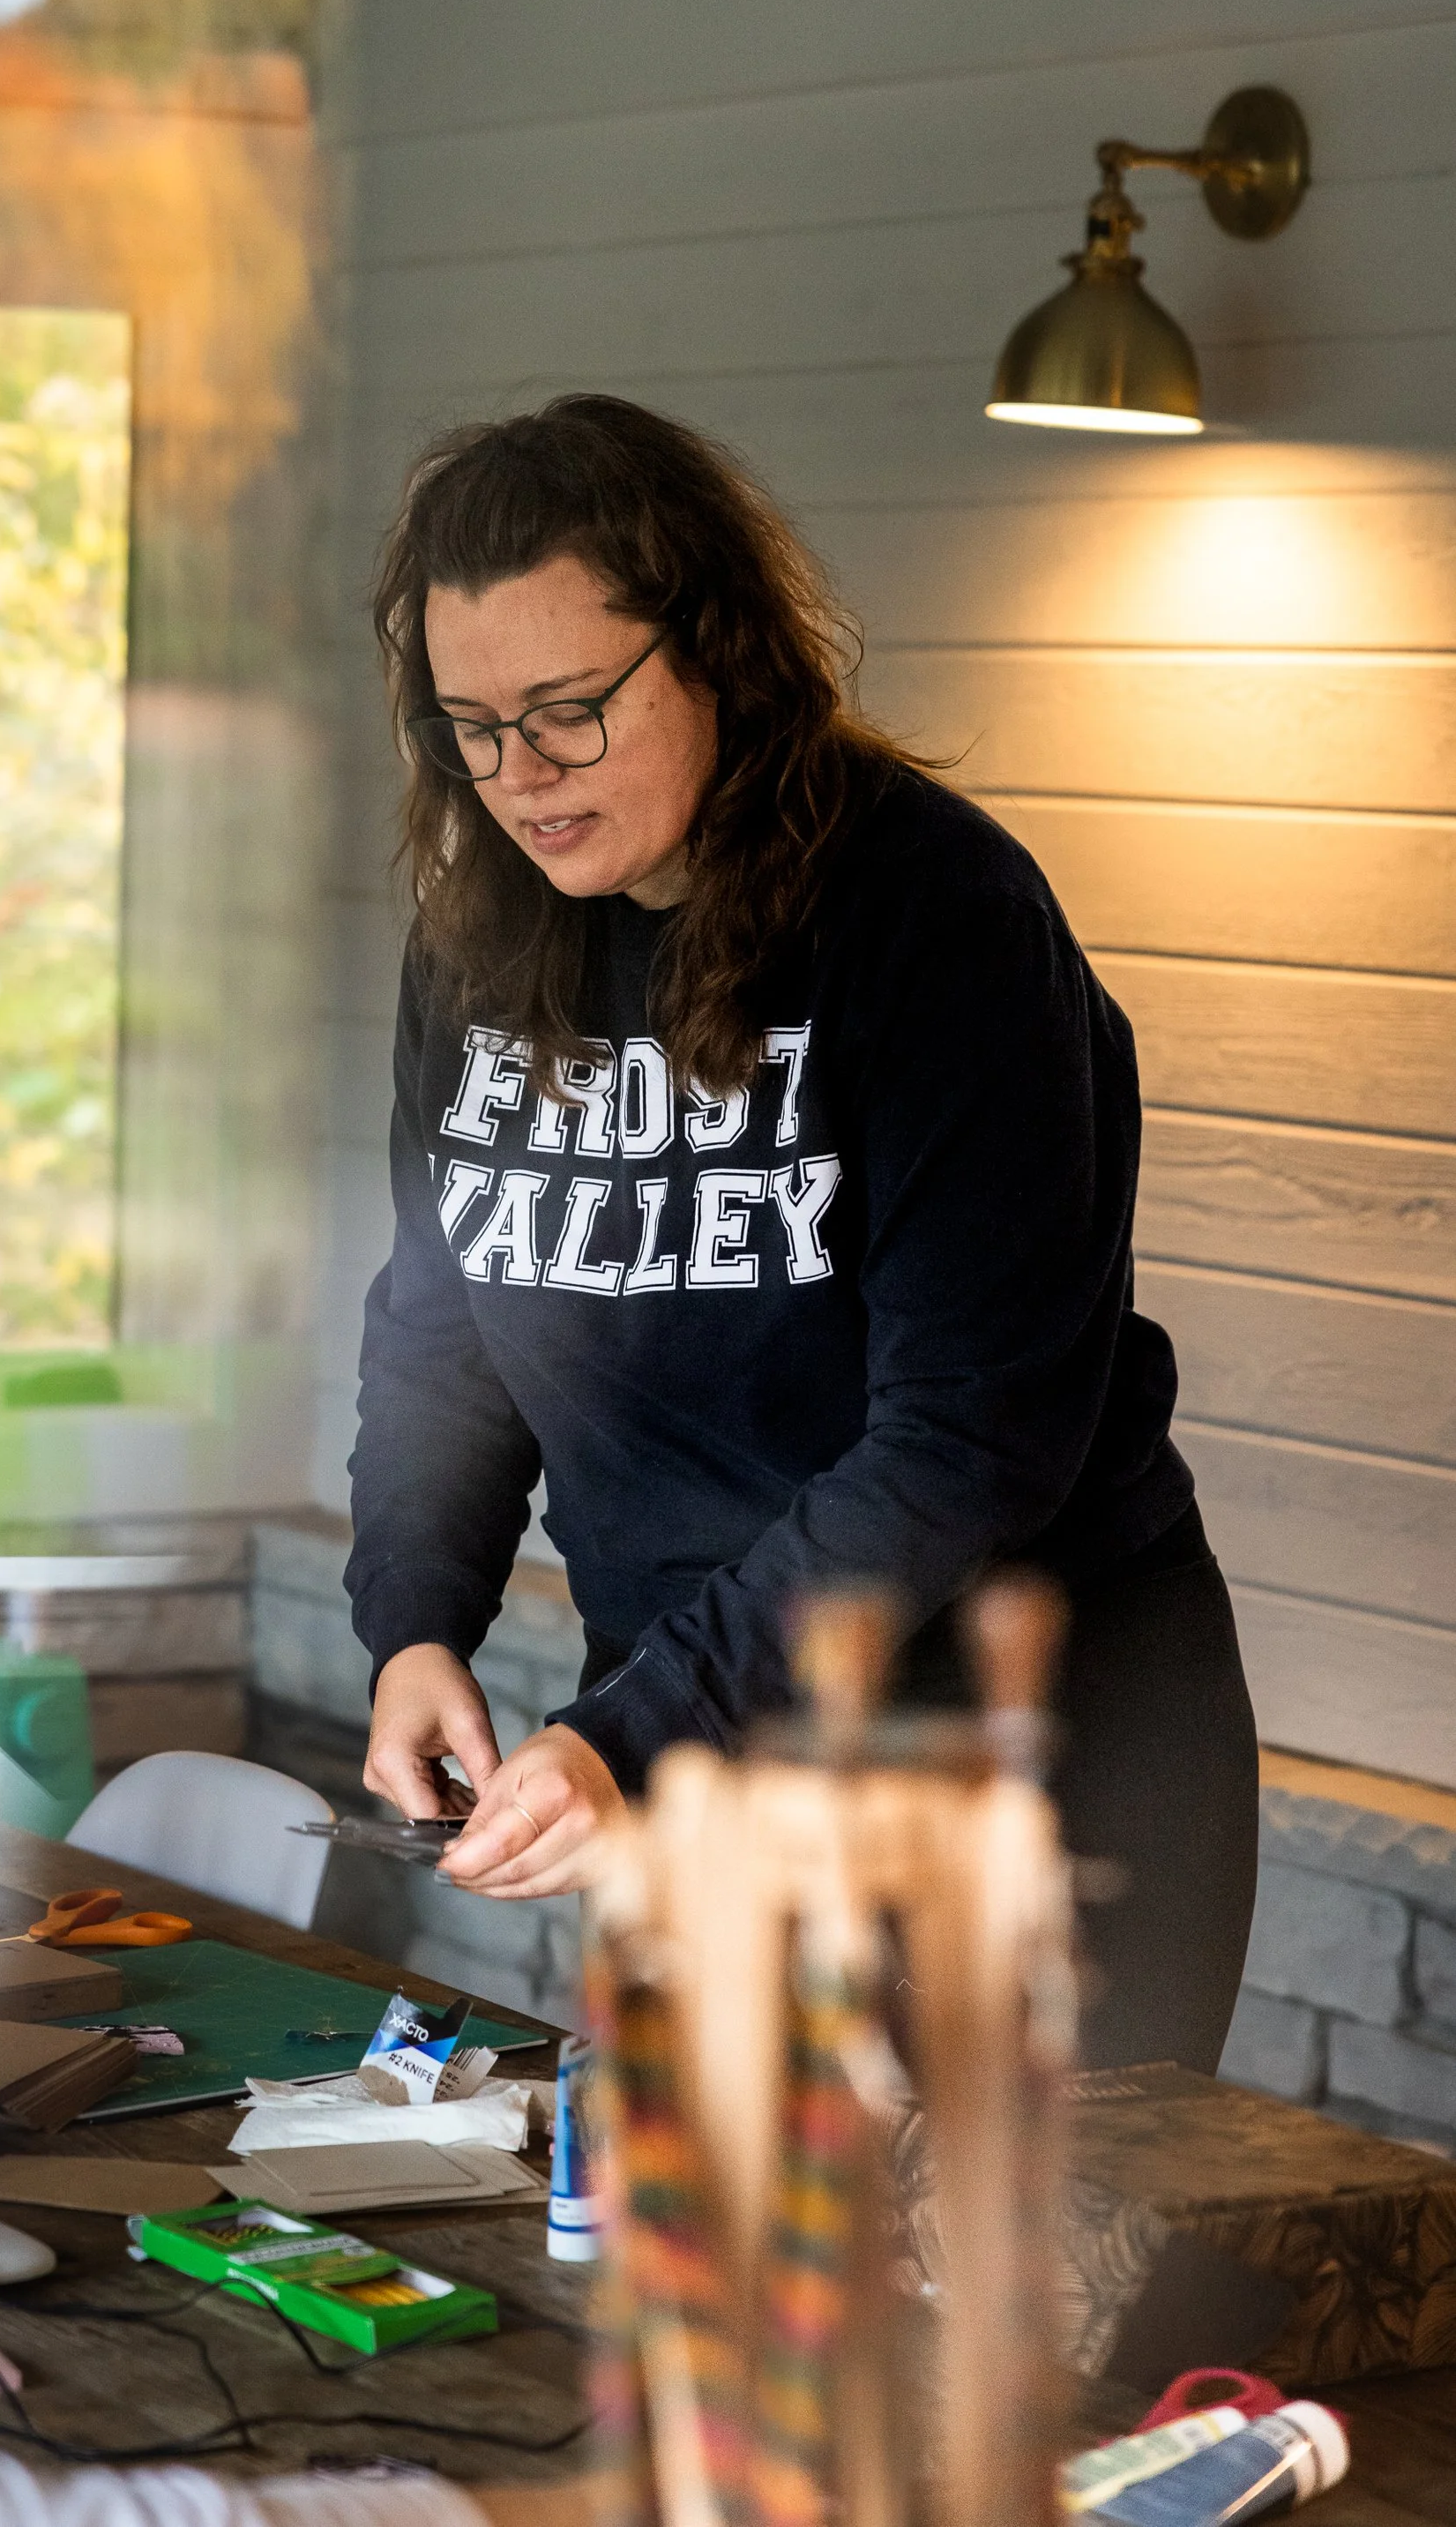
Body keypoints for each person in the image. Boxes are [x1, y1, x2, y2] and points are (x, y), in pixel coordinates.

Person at [346, 394, 1258, 2074]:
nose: (518, 778)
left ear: (719, 654)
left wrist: (636, 1727)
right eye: (468, 726)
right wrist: (415, 1617)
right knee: (712, 2279)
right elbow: (445, 1324)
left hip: (1011, 1738)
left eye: (568, 712)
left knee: (1020, 2305)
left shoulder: (941, 925)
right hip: (705, 1721)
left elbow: (969, 1440)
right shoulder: (478, 935)